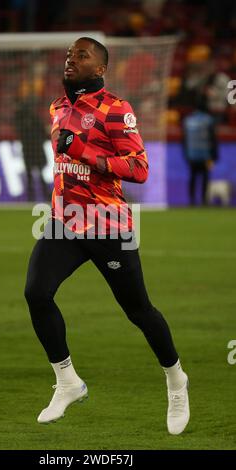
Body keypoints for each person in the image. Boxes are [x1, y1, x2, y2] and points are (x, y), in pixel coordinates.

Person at [24, 37, 190, 435]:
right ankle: (68, 382)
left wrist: (82, 150)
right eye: (68, 54)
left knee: (138, 311)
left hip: (107, 224)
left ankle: (176, 381)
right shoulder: (58, 106)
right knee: (36, 292)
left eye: (81, 55)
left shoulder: (117, 110)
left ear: (99, 68)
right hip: (65, 220)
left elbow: (139, 169)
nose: (70, 59)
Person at [183, 96, 218, 205]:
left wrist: (186, 154)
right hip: (205, 155)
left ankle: (192, 200)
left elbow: (184, 140)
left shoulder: (188, 121)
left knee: (193, 177)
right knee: (205, 177)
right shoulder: (209, 120)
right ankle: (204, 200)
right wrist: (214, 155)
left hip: (192, 155)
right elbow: (212, 139)